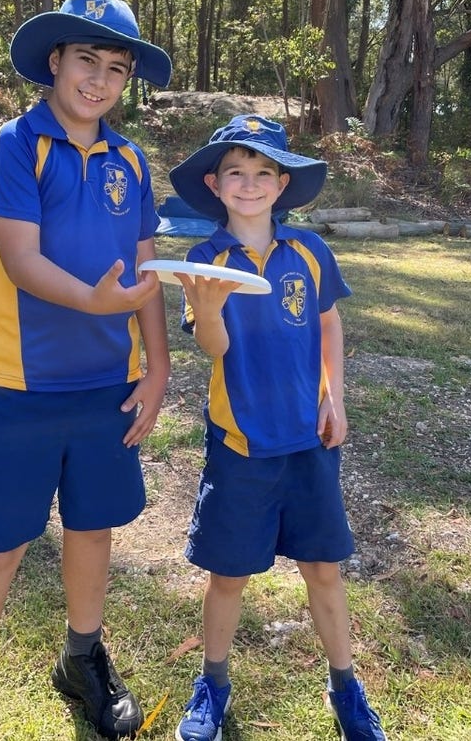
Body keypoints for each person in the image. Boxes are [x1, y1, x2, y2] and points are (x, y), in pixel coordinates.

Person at [0, 0, 173, 741]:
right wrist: (99, 304)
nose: (98, 80)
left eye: (116, 69)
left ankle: (81, 659)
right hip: (21, 388)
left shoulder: (131, 160)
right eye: (86, 61)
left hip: (108, 389)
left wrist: (158, 366)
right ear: (55, 62)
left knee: (92, 529)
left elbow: (146, 271)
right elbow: (21, 258)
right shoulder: (17, 142)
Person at [168, 115, 387, 741]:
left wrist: (333, 399)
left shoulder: (310, 252)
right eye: (236, 172)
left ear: (282, 182)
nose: (250, 183)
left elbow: (328, 327)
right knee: (229, 575)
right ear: (214, 183)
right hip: (241, 444)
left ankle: (346, 687)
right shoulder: (205, 258)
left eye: (264, 172)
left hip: (308, 442)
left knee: (323, 569)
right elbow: (213, 346)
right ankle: (212, 681)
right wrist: (207, 309)